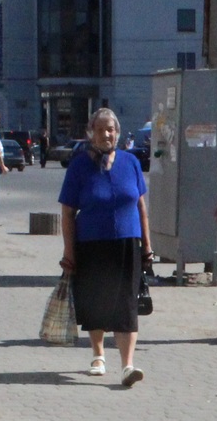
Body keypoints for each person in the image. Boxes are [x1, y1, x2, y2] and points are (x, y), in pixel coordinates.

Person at [59, 108, 151, 387]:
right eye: (101, 130)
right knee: (96, 300)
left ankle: (127, 365)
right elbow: (66, 212)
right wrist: (69, 252)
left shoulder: (130, 162)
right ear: (91, 134)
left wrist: (147, 245)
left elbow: (141, 207)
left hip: (127, 241)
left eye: (111, 129)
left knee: (126, 303)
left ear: (118, 133)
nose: (106, 134)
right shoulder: (79, 165)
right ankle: (98, 354)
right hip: (90, 243)